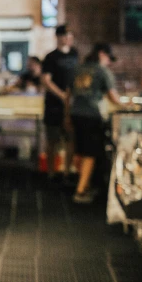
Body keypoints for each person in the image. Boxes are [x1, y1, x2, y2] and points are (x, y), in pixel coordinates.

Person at [68, 43, 121, 204]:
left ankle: (84, 183)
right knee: (90, 153)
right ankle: (81, 190)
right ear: (102, 54)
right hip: (92, 115)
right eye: (109, 59)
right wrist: (128, 105)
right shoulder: (102, 71)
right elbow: (113, 97)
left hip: (75, 113)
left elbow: (67, 95)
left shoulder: (77, 69)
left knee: (80, 150)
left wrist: (66, 116)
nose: (109, 63)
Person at [42, 25, 79, 175]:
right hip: (54, 104)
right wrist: (62, 95)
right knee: (53, 140)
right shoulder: (51, 57)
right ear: (58, 37)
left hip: (71, 105)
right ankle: (51, 172)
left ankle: (67, 171)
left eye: (71, 36)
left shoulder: (75, 54)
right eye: (66, 36)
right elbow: (46, 80)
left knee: (71, 139)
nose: (69, 39)